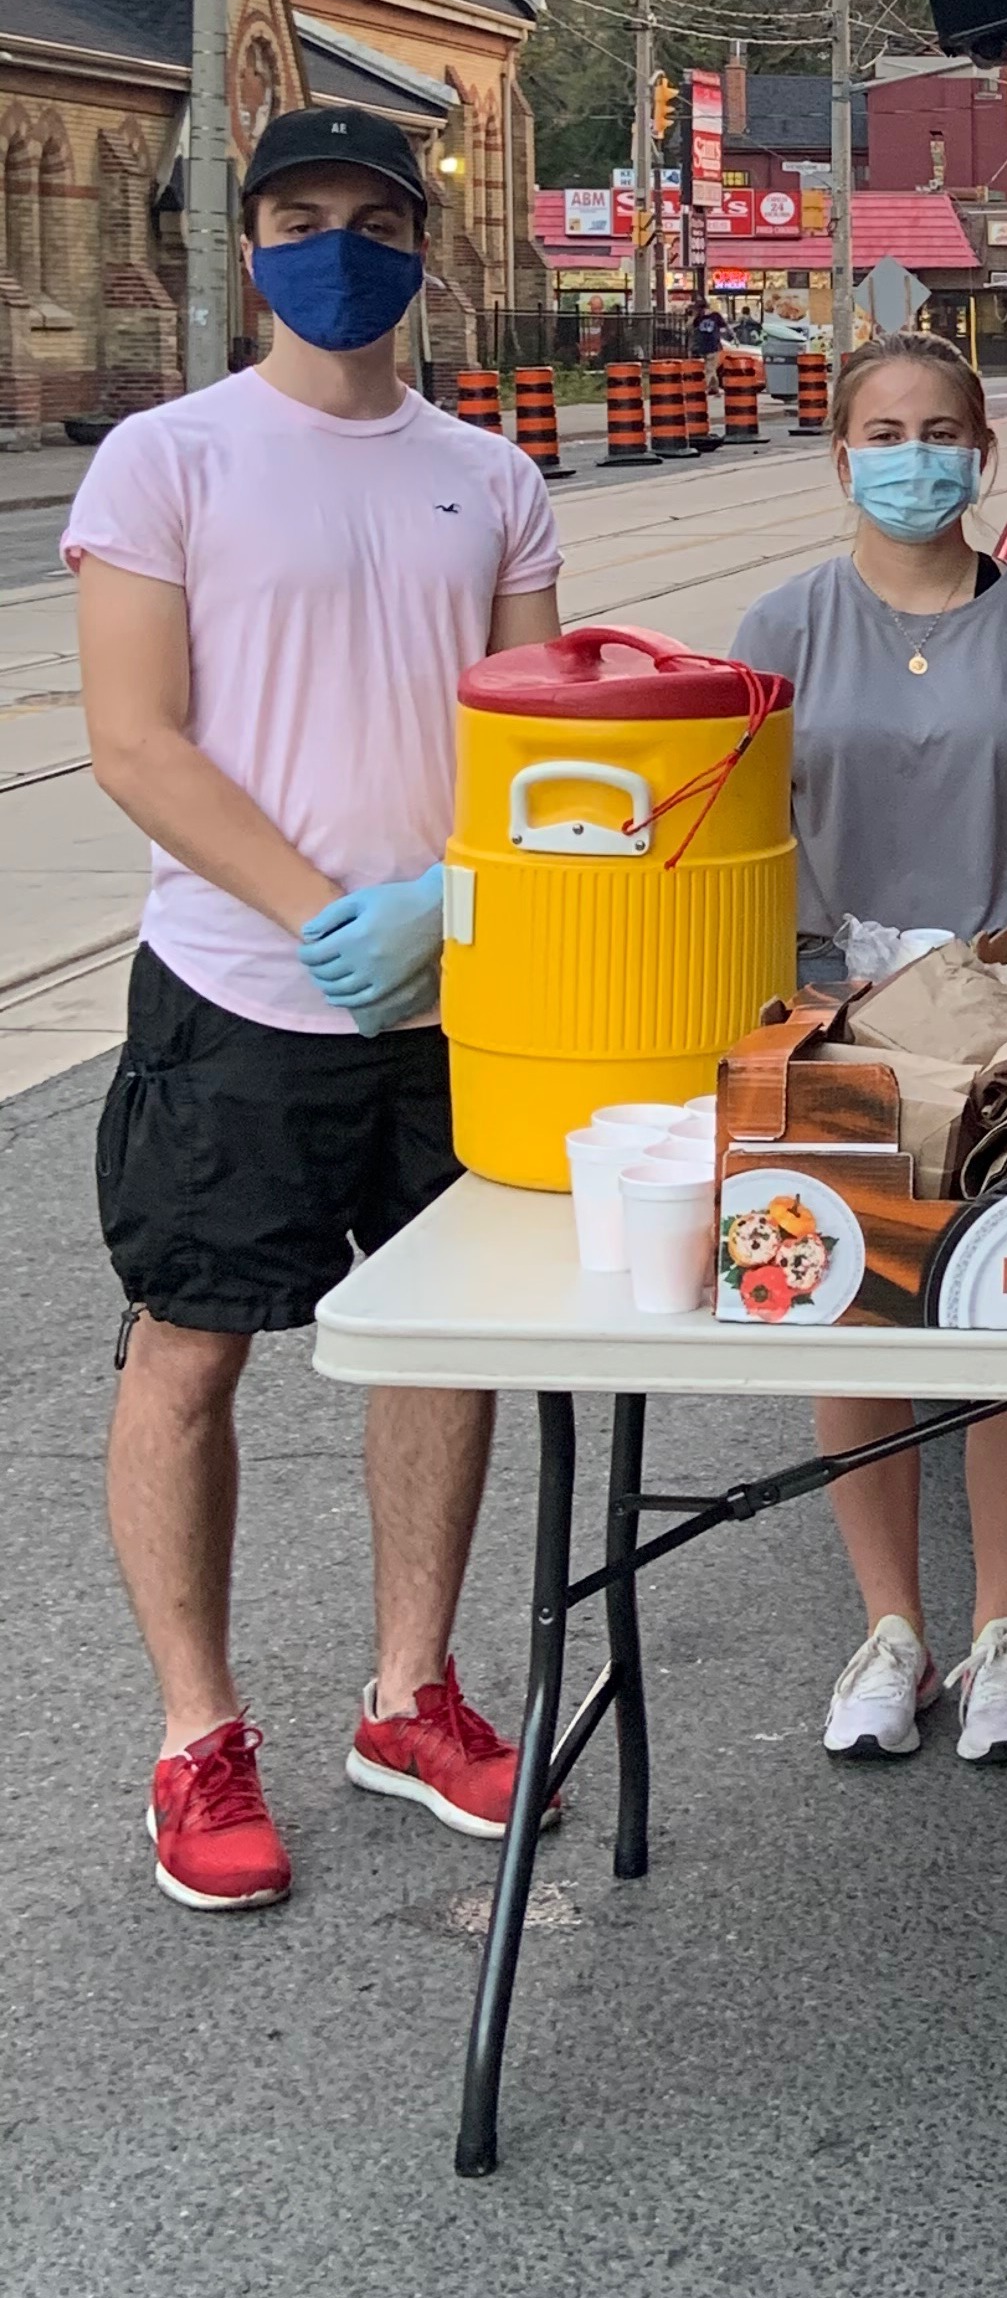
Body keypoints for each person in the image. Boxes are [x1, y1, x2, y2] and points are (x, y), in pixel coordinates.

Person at [69, 106, 566, 1912]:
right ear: (244, 240)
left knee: (440, 1337)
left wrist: (453, 903)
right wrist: (324, 912)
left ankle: (408, 1692)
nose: (334, 246)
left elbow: (533, 727)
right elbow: (135, 738)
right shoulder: (168, 458)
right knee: (190, 1345)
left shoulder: (491, 476)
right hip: (239, 993)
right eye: (297, 216)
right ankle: (196, 1733)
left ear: (427, 242)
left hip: (456, 1000)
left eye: (372, 216)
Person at [734, 333, 1007, 1769]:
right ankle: (891, 1627)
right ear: (841, 455)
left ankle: (1001, 1631)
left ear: (984, 453)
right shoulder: (782, 627)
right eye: (886, 432)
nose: (915, 457)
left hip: (1002, 1020)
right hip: (835, 1015)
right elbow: (738, 832)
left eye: (942, 432)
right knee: (851, 1300)